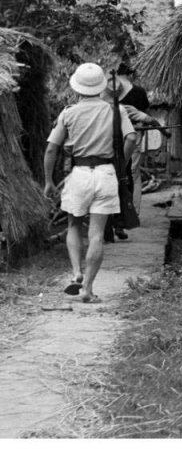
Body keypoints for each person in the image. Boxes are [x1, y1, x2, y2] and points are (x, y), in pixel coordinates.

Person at [43, 62, 137, 303]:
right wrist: (120, 166)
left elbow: (52, 149)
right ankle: (87, 288)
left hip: (79, 173)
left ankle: (76, 272)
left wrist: (48, 181)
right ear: (100, 87)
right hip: (106, 173)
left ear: (77, 87)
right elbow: (131, 138)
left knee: (74, 225)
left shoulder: (69, 112)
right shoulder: (116, 111)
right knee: (96, 234)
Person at [108, 62, 154, 240]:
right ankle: (129, 214)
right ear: (131, 75)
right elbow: (145, 117)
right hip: (130, 137)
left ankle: (114, 221)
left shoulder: (109, 97)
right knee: (130, 175)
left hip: (109, 141)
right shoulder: (137, 94)